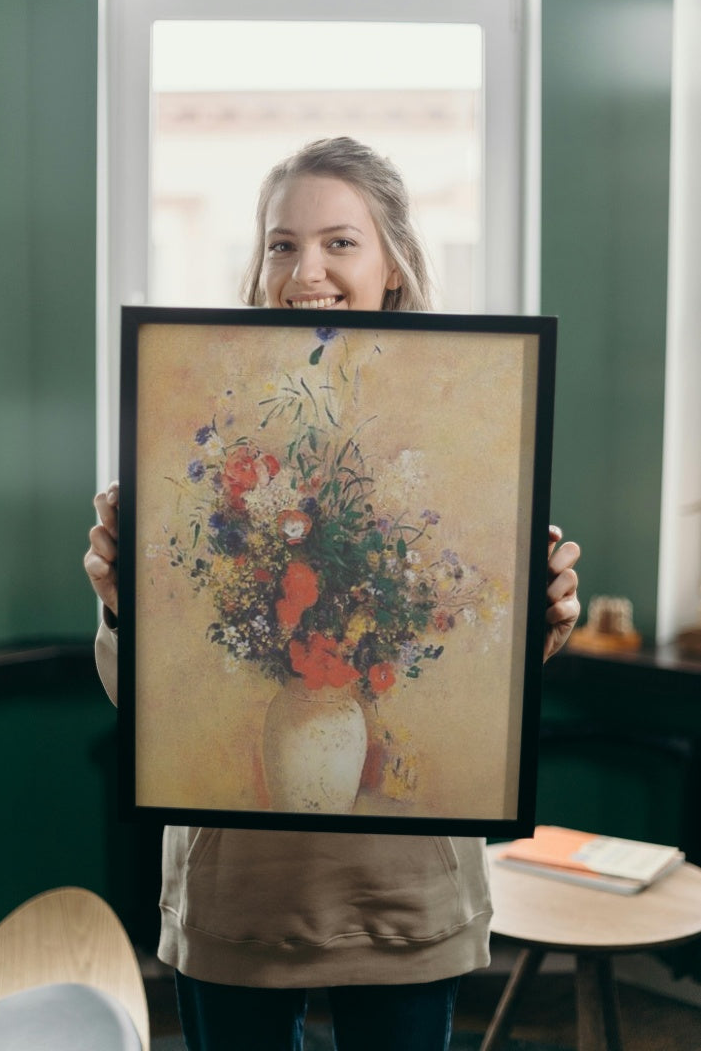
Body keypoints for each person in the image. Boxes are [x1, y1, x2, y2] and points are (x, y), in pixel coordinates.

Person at [85, 137, 581, 1051]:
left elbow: (468, 685)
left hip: (403, 892)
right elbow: (147, 700)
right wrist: (125, 608)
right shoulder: (193, 421)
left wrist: (537, 620)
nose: (304, 269)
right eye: (281, 243)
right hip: (238, 894)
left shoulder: (468, 419)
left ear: (392, 263)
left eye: (338, 242)